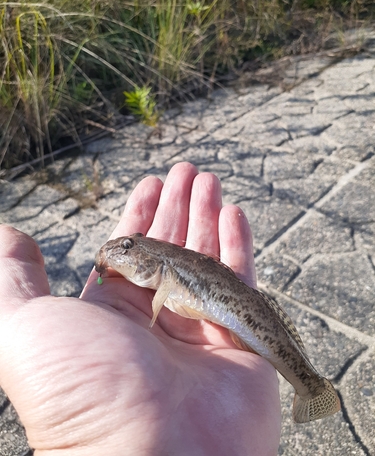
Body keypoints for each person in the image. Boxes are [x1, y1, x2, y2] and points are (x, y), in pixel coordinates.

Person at [0, 162, 281, 455]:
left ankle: (309, 384)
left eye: (129, 247)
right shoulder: (150, 269)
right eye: (127, 245)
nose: (123, 251)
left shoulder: (160, 267)